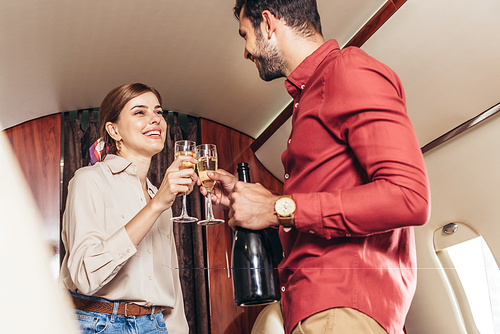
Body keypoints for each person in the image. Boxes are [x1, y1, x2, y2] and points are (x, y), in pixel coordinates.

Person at [202, 1, 430, 334]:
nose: (246, 52)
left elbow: (408, 196)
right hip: (313, 305)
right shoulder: (308, 97)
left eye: (245, 35)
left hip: (341, 306)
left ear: (268, 23)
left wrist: (277, 207)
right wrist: (260, 202)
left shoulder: (347, 71)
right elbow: (320, 206)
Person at [60, 83, 195, 334]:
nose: (155, 119)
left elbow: (170, 279)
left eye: (159, 112)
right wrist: (155, 206)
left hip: (155, 325)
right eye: (140, 112)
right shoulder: (89, 180)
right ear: (114, 130)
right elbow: (84, 276)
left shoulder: (159, 195)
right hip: (98, 323)